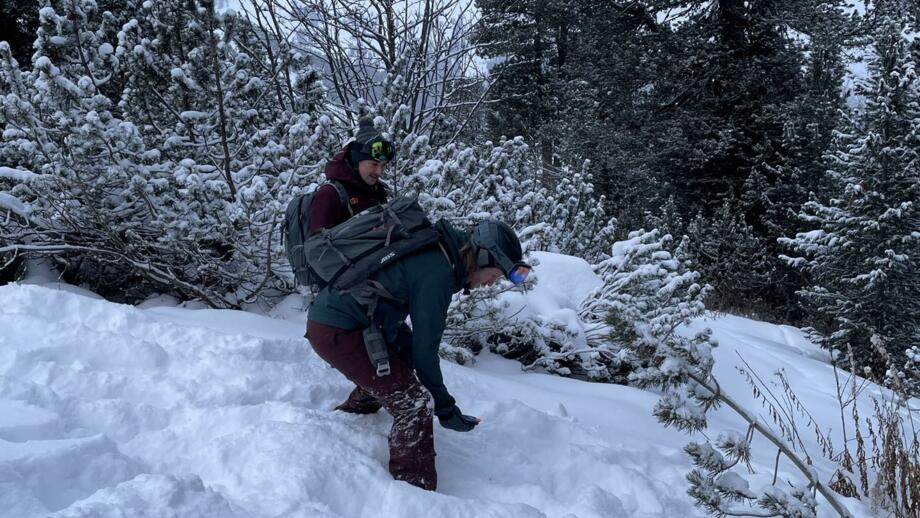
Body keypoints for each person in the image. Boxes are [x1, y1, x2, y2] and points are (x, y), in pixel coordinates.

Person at [306, 220, 531, 490]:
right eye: (494, 275)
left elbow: (418, 350)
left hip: (354, 321)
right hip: (338, 329)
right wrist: (445, 408)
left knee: (403, 360)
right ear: (481, 257)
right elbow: (427, 352)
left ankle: (356, 416)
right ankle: (415, 490)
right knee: (415, 403)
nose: (490, 283)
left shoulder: (439, 251)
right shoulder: (438, 271)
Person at [309, 116, 396, 415]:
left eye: (383, 166)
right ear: (357, 159)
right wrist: (352, 283)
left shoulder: (377, 193)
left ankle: (363, 404)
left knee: (386, 351)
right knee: (370, 353)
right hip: (345, 294)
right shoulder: (330, 194)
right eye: (373, 164)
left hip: (377, 288)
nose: (379, 171)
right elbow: (317, 252)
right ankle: (353, 411)